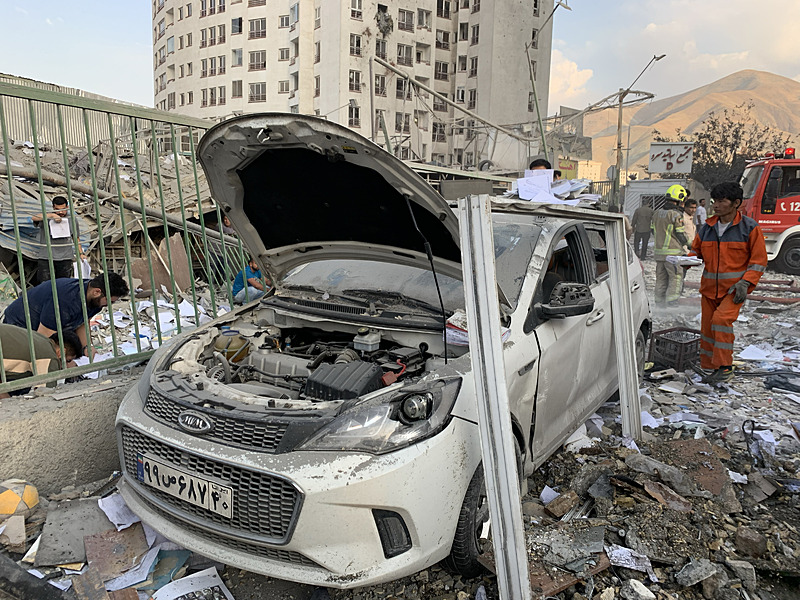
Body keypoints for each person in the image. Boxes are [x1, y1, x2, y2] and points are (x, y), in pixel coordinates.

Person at [690, 182, 767, 383]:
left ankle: (724, 367)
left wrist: (746, 283)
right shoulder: (707, 227)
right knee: (708, 328)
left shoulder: (749, 228)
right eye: (714, 201)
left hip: (734, 289)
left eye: (721, 201)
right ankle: (710, 366)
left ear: (736, 203)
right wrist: (685, 261)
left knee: (721, 321)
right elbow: (695, 251)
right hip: (709, 289)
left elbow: (759, 261)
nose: (716, 205)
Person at [3, 273, 129, 357]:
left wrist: (87, 348)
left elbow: (83, 323)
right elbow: (43, 338)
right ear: (97, 292)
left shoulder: (94, 299)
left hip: (45, 326)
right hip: (19, 325)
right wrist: (64, 361)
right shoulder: (65, 301)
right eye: (110, 301)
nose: (109, 305)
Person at [0, 325, 83, 398]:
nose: (66, 366)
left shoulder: (41, 340)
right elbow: (44, 393)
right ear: (61, 352)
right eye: (68, 360)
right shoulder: (50, 357)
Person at [32, 195, 85, 284]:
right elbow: (34, 217)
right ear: (53, 207)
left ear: (67, 207)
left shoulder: (71, 219)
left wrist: (81, 253)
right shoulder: (46, 217)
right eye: (57, 209)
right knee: (44, 284)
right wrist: (52, 215)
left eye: (63, 209)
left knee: (63, 284)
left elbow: (75, 237)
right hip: (46, 257)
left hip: (65, 257)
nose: (60, 212)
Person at [652, 184, 689, 307]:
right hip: (673, 254)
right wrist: (690, 244)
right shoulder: (676, 215)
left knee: (661, 279)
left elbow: (652, 231)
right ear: (679, 199)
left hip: (659, 254)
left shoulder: (656, 213)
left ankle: (659, 303)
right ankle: (672, 303)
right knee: (676, 278)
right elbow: (680, 234)